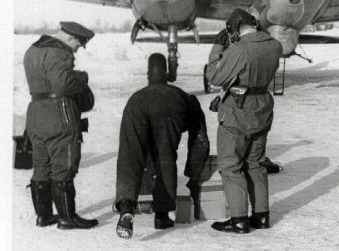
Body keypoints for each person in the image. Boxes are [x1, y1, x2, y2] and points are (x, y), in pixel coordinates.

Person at [113, 53, 211, 239]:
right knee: (165, 157)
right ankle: (162, 215)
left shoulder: (136, 98)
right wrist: (194, 175)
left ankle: (126, 207)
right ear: (166, 74)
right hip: (171, 111)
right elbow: (199, 138)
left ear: (148, 74)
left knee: (130, 157)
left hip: (136, 110)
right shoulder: (180, 96)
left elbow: (130, 151)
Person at [206, 8, 282, 233]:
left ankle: (239, 219)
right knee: (256, 163)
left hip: (239, 113)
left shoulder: (239, 49)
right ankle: (261, 216)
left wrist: (218, 48)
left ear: (235, 28)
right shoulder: (274, 45)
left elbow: (214, 76)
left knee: (231, 165)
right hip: (262, 107)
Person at [23, 21, 98, 229]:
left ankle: (43, 216)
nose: (78, 49)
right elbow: (63, 84)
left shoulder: (33, 50)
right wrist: (81, 78)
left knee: (41, 167)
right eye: (79, 44)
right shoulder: (59, 52)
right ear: (70, 38)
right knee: (64, 166)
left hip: (35, 113)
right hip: (59, 114)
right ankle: (67, 218)